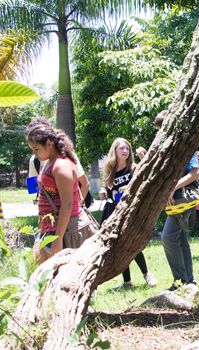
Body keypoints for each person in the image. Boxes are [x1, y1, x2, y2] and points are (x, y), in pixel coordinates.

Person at [25, 119, 94, 264]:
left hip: (63, 231)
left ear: (49, 143)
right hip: (50, 228)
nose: (34, 153)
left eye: (36, 149)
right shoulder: (49, 161)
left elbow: (67, 205)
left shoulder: (61, 166)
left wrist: (58, 239)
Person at [99, 137, 157, 289]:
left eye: (127, 148)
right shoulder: (110, 171)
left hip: (133, 212)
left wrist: (129, 189)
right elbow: (110, 192)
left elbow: (143, 185)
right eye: (121, 148)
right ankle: (127, 282)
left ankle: (147, 275)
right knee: (120, 247)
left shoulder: (133, 168)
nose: (125, 151)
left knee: (133, 244)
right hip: (116, 213)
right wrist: (105, 192)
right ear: (115, 151)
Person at [154, 110, 199, 290]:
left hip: (184, 199)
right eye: (158, 129)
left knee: (168, 237)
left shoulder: (186, 147)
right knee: (180, 239)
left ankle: (180, 281)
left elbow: (195, 173)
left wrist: (173, 188)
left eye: (162, 128)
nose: (160, 133)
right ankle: (188, 280)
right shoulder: (167, 148)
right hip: (174, 200)